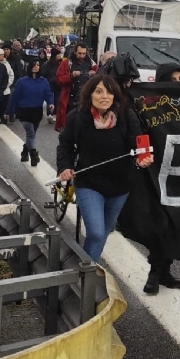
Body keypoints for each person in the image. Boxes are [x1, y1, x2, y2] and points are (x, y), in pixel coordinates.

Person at [56, 75, 150, 262]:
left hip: (120, 185)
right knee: (97, 233)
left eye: (109, 92)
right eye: (99, 91)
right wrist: (65, 166)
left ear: (115, 95)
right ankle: (85, 273)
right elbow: (65, 144)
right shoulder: (78, 117)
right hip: (89, 184)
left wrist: (143, 157)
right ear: (90, 94)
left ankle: (87, 264)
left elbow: (138, 142)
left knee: (105, 231)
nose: (104, 96)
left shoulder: (127, 115)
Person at [140, 63, 180, 295]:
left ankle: (165, 270)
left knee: (175, 224)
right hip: (154, 171)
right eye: (173, 78)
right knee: (158, 223)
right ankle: (154, 272)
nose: (177, 82)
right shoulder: (150, 103)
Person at [11, 59, 55, 166]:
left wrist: (50, 103)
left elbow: (48, 93)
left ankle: (25, 153)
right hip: (24, 111)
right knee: (30, 133)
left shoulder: (43, 81)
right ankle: (34, 155)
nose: (36, 67)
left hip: (37, 110)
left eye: (38, 65)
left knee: (32, 135)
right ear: (30, 66)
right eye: (34, 65)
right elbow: (14, 97)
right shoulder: (22, 81)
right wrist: (9, 111)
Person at [55, 44, 95, 131]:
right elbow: (59, 79)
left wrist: (93, 74)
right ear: (75, 52)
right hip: (70, 99)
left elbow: (99, 76)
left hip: (86, 99)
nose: (82, 56)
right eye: (79, 53)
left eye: (84, 54)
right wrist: (71, 76)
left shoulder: (91, 63)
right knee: (69, 124)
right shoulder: (67, 63)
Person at [41, 49, 64, 123]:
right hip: (49, 83)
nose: (60, 56)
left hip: (58, 84)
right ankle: (49, 114)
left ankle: (55, 114)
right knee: (50, 99)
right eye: (58, 54)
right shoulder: (47, 64)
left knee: (57, 99)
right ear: (55, 55)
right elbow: (43, 74)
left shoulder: (61, 63)